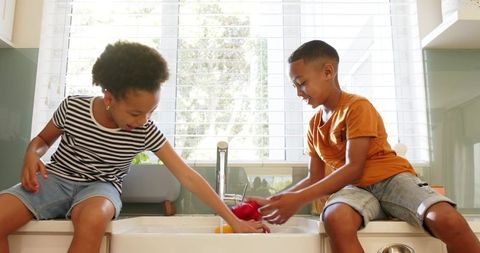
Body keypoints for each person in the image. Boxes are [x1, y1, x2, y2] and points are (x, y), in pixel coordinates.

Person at [0, 41, 268, 253]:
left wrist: (234, 221)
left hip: (101, 188)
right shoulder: (73, 107)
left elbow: (188, 176)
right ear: (109, 97)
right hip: (54, 180)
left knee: (94, 219)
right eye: (135, 113)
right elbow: (42, 141)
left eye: (150, 112)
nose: (143, 121)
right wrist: (30, 155)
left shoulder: (145, 131)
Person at [251, 40, 480, 253]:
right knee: (335, 218)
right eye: (294, 85)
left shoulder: (356, 107)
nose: (298, 92)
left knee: (447, 218)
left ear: (328, 72)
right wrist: (277, 201)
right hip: (354, 189)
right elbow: (314, 177)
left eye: (301, 83)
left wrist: (298, 199)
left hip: (392, 180)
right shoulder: (313, 125)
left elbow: (354, 168)